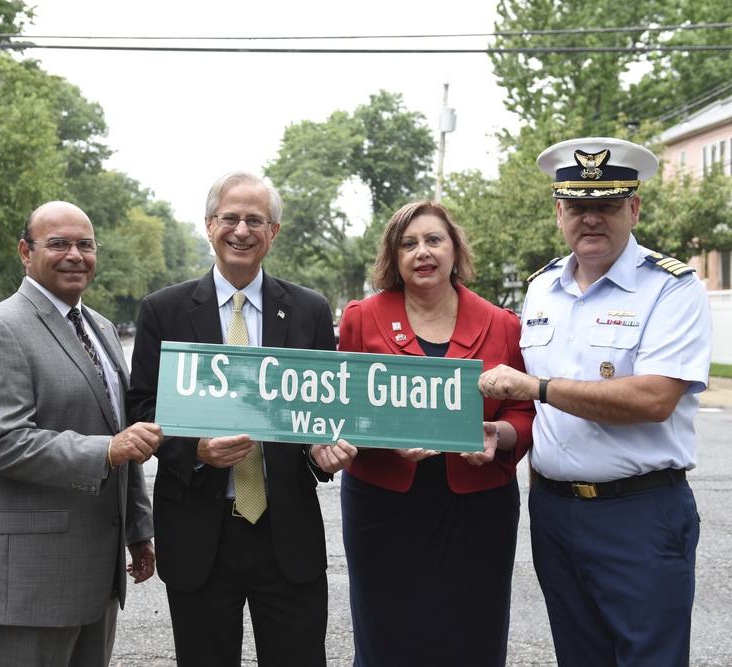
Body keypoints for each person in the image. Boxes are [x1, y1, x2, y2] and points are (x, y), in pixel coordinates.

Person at [479, 137, 712, 666]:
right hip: (555, 511)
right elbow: (538, 417)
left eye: (605, 206)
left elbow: (653, 398)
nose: (591, 219)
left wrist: (535, 388)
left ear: (634, 208)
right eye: (578, 207)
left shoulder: (671, 289)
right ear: (558, 211)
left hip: (639, 512)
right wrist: (509, 433)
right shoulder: (541, 291)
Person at [126, 171, 358, 667]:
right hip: (198, 534)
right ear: (209, 225)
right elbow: (142, 407)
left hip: (286, 532)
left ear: (273, 232)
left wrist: (326, 454)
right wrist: (196, 451)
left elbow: (324, 411)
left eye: (256, 219)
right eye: (230, 218)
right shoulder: (163, 311)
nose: (241, 230)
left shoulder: (309, 311)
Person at [0, 201, 163, 667]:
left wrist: (138, 529)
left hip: (98, 572)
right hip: (31, 577)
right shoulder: (0, 326)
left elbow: (120, 431)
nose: (75, 254)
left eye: (85, 244)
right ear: (25, 253)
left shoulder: (102, 328)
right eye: (58, 244)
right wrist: (107, 450)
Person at [336, 200, 535, 666]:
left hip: (476, 506)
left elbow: (523, 412)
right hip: (383, 505)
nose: (421, 252)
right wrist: (383, 437)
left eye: (433, 240)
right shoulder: (361, 318)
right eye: (408, 243)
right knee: (388, 635)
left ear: (453, 250)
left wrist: (499, 436)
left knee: (473, 634)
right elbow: (340, 408)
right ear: (394, 256)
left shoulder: (503, 324)